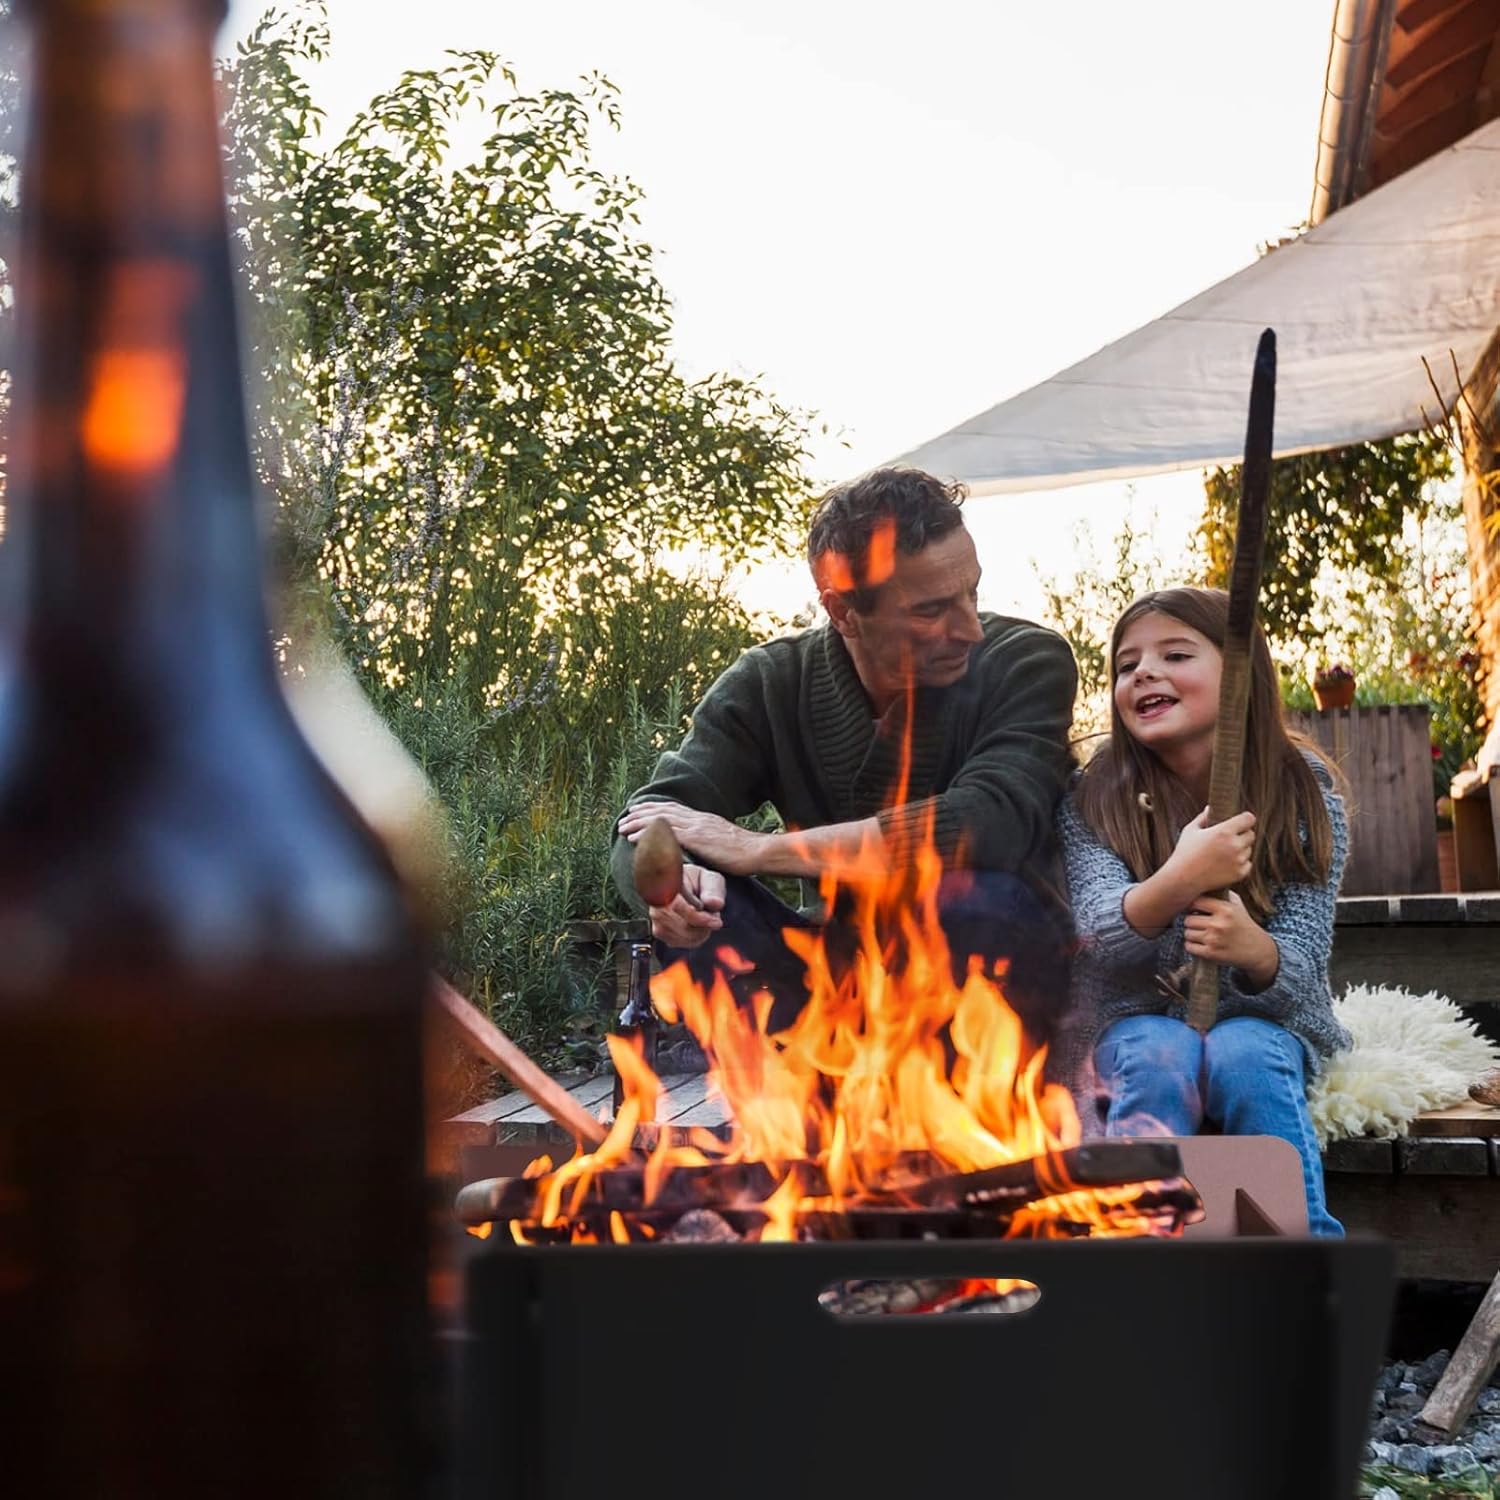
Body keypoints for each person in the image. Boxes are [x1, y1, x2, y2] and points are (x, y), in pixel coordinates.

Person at [611, 465, 1077, 1038]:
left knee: (977, 900)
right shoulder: (770, 681)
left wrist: (756, 849)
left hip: (987, 968)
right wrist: (674, 886)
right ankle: (788, 1080)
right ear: (843, 611)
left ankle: (954, 1088)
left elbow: (990, 821)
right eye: (931, 610)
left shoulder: (1026, 660)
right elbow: (651, 817)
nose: (969, 629)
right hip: (830, 971)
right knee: (708, 911)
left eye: (971, 593)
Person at [1054, 586, 1350, 1236]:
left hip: (1261, 1019)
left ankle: (1300, 1256)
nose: (1144, 673)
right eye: (1127, 664)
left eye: (1175, 655)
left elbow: (1303, 962)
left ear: (1242, 675)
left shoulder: (1302, 794)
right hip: (1126, 1020)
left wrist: (1256, 951)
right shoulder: (1094, 798)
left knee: (1247, 1058)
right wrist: (1182, 877)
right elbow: (1096, 936)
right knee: (1158, 1055)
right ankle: (1140, 1244)